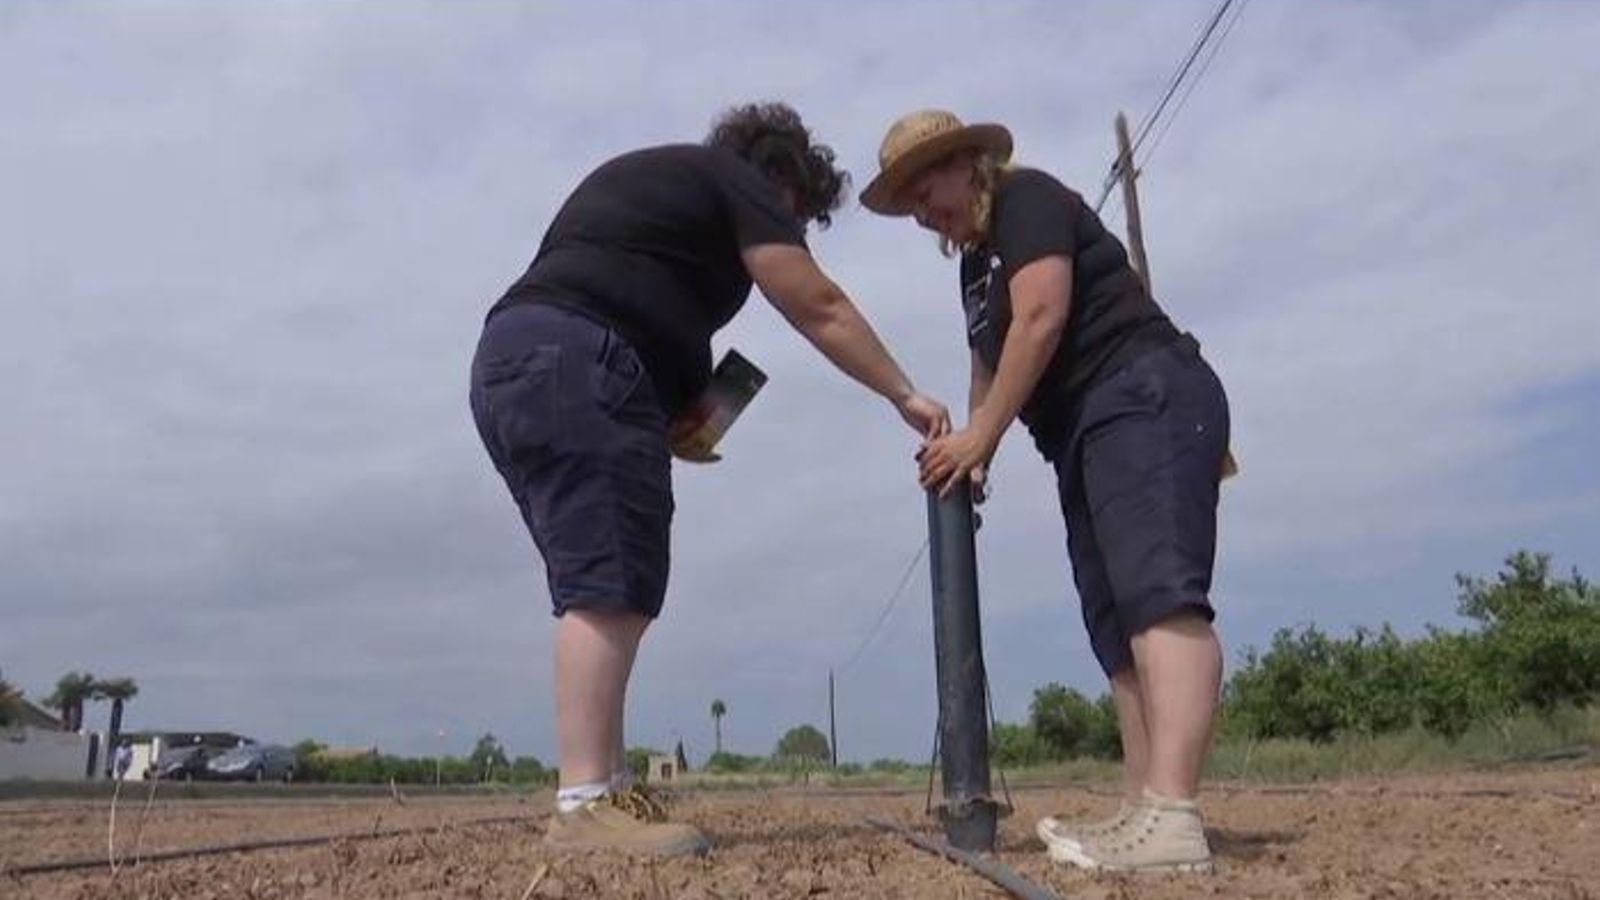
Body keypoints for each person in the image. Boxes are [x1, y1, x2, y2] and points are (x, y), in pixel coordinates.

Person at [469, 103, 950, 856]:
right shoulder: (735, 179)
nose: (792, 228)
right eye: (796, 215)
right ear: (782, 181)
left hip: (519, 364)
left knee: (599, 571)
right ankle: (586, 801)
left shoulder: (655, 195)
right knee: (609, 580)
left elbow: (636, 302)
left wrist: (674, 413)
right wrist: (902, 391)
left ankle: (606, 784)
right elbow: (815, 304)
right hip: (582, 358)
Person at [861, 110, 1231, 873]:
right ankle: (1145, 809)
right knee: (1117, 618)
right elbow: (989, 366)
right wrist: (973, 448)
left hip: (1141, 391)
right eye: (907, 202)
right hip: (1078, 434)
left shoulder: (1027, 199)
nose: (921, 208)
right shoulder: (973, 267)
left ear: (967, 163)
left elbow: (1041, 315)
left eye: (923, 187)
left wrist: (984, 435)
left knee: (1161, 596)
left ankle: (1174, 813)